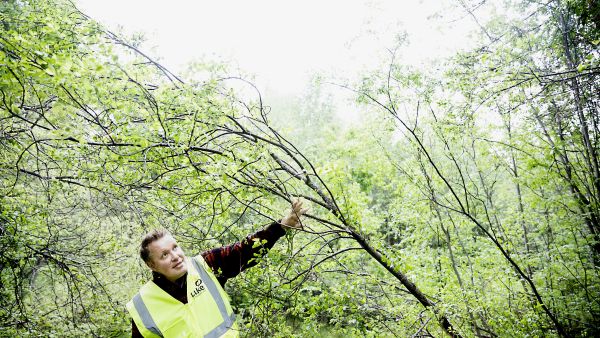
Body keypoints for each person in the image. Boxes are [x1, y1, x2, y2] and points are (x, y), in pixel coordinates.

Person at [127, 199, 307, 338]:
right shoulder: (142, 305)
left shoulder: (206, 265)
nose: (175, 256)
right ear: (151, 265)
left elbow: (243, 251)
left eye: (175, 248)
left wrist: (281, 226)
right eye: (164, 255)